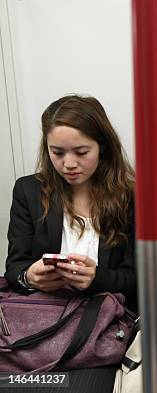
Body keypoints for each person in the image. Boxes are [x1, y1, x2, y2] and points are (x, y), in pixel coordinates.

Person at [3, 94, 136, 392]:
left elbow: (139, 278)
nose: (69, 163)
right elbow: (14, 268)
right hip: (40, 323)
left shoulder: (130, 198)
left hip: (100, 329)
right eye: (57, 152)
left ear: (103, 146)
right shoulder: (29, 191)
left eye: (81, 151)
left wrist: (96, 278)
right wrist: (31, 276)